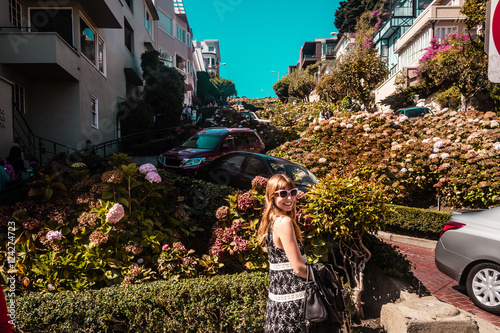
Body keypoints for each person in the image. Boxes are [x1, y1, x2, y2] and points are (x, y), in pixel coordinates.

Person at [258, 174, 309, 333]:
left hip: (278, 302)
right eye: (282, 194)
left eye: (292, 192)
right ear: (271, 196)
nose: (289, 198)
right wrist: (325, 276)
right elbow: (299, 268)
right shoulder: (284, 222)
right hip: (294, 301)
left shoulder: (271, 220)